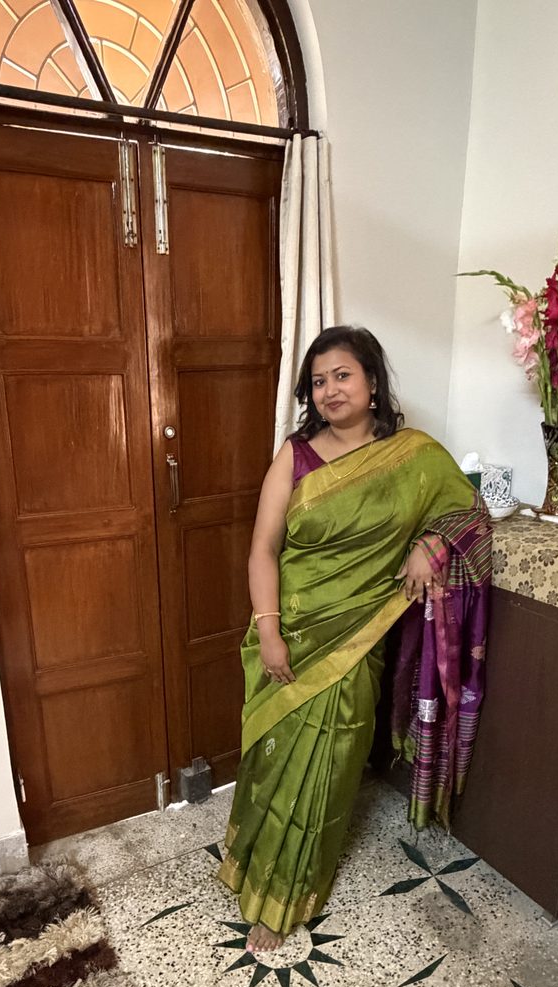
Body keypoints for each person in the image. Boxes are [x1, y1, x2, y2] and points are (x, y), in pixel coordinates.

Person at [217, 326, 492, 954]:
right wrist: (268, 631)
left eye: (342, 374)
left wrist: (429, 545)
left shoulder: (414, 456)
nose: (330, 389)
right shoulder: (296, 455)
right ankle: (253, 864)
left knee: (331, 770)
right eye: (318, 381)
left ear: (372, 382)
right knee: (271, 761)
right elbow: (263, 550)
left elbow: (468, 511)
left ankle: (289, 895)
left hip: (355, 641)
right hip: (287, 630)